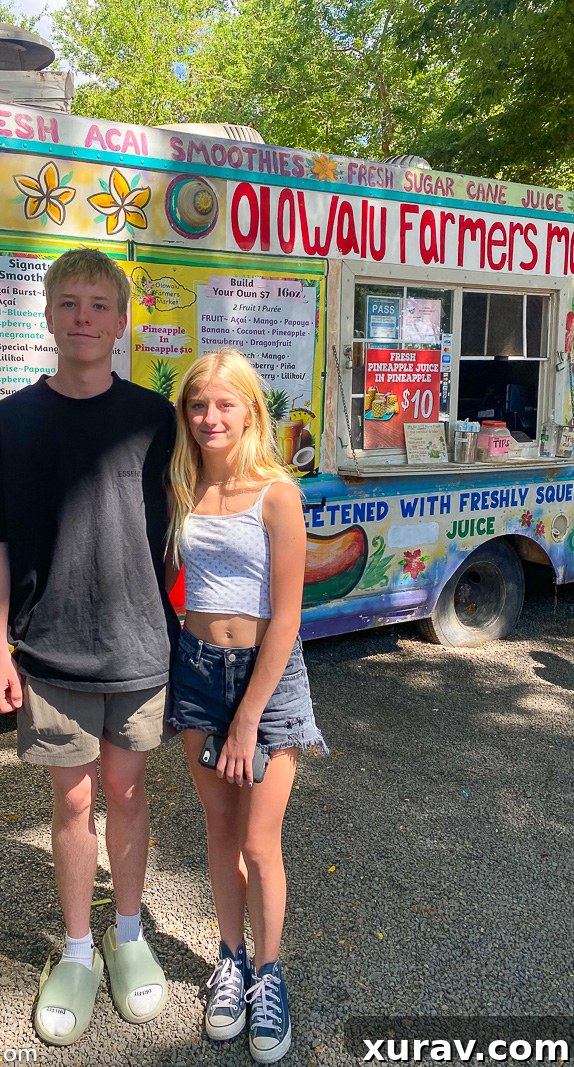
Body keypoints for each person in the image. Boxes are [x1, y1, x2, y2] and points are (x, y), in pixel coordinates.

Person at [0, 248, 178, 1046]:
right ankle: (78, 950)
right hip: (48, 648)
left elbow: (202, 516)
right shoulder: (10, 420)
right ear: (48, 317)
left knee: (125, 790)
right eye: (70, 303)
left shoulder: (157, 418)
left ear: (121, 322)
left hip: (140, 646)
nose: (84, 316)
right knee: (73, 798)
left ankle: (128, 936)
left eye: (99, 304)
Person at [165, 347, 326, 1063]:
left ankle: (268, 973)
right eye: (199, 404)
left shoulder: (278, 494)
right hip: (198, 672)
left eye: (224, 403)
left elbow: (288, 616)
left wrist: (250, 716)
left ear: (251, 410)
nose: (210, 417)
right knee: (220, 834)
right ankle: (228, 960)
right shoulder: (180, 485)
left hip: (268, 678)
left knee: (261, 843)